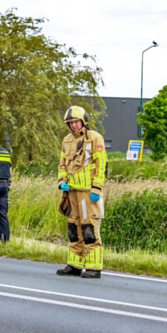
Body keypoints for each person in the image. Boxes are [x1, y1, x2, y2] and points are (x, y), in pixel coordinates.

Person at [56, 106, 107, 279]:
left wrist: (97, 188)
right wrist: (62, 181)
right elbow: (62, 165)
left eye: (76, 122)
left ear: (83, 121)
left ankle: (94, 267)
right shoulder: (66, 140)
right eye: (70, 123)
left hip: (88, 193)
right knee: (73, 229)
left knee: (89, 228)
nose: (74, 126)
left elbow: (101, 165)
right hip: (71, 192)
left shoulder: (94, 138)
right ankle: (75, 264)